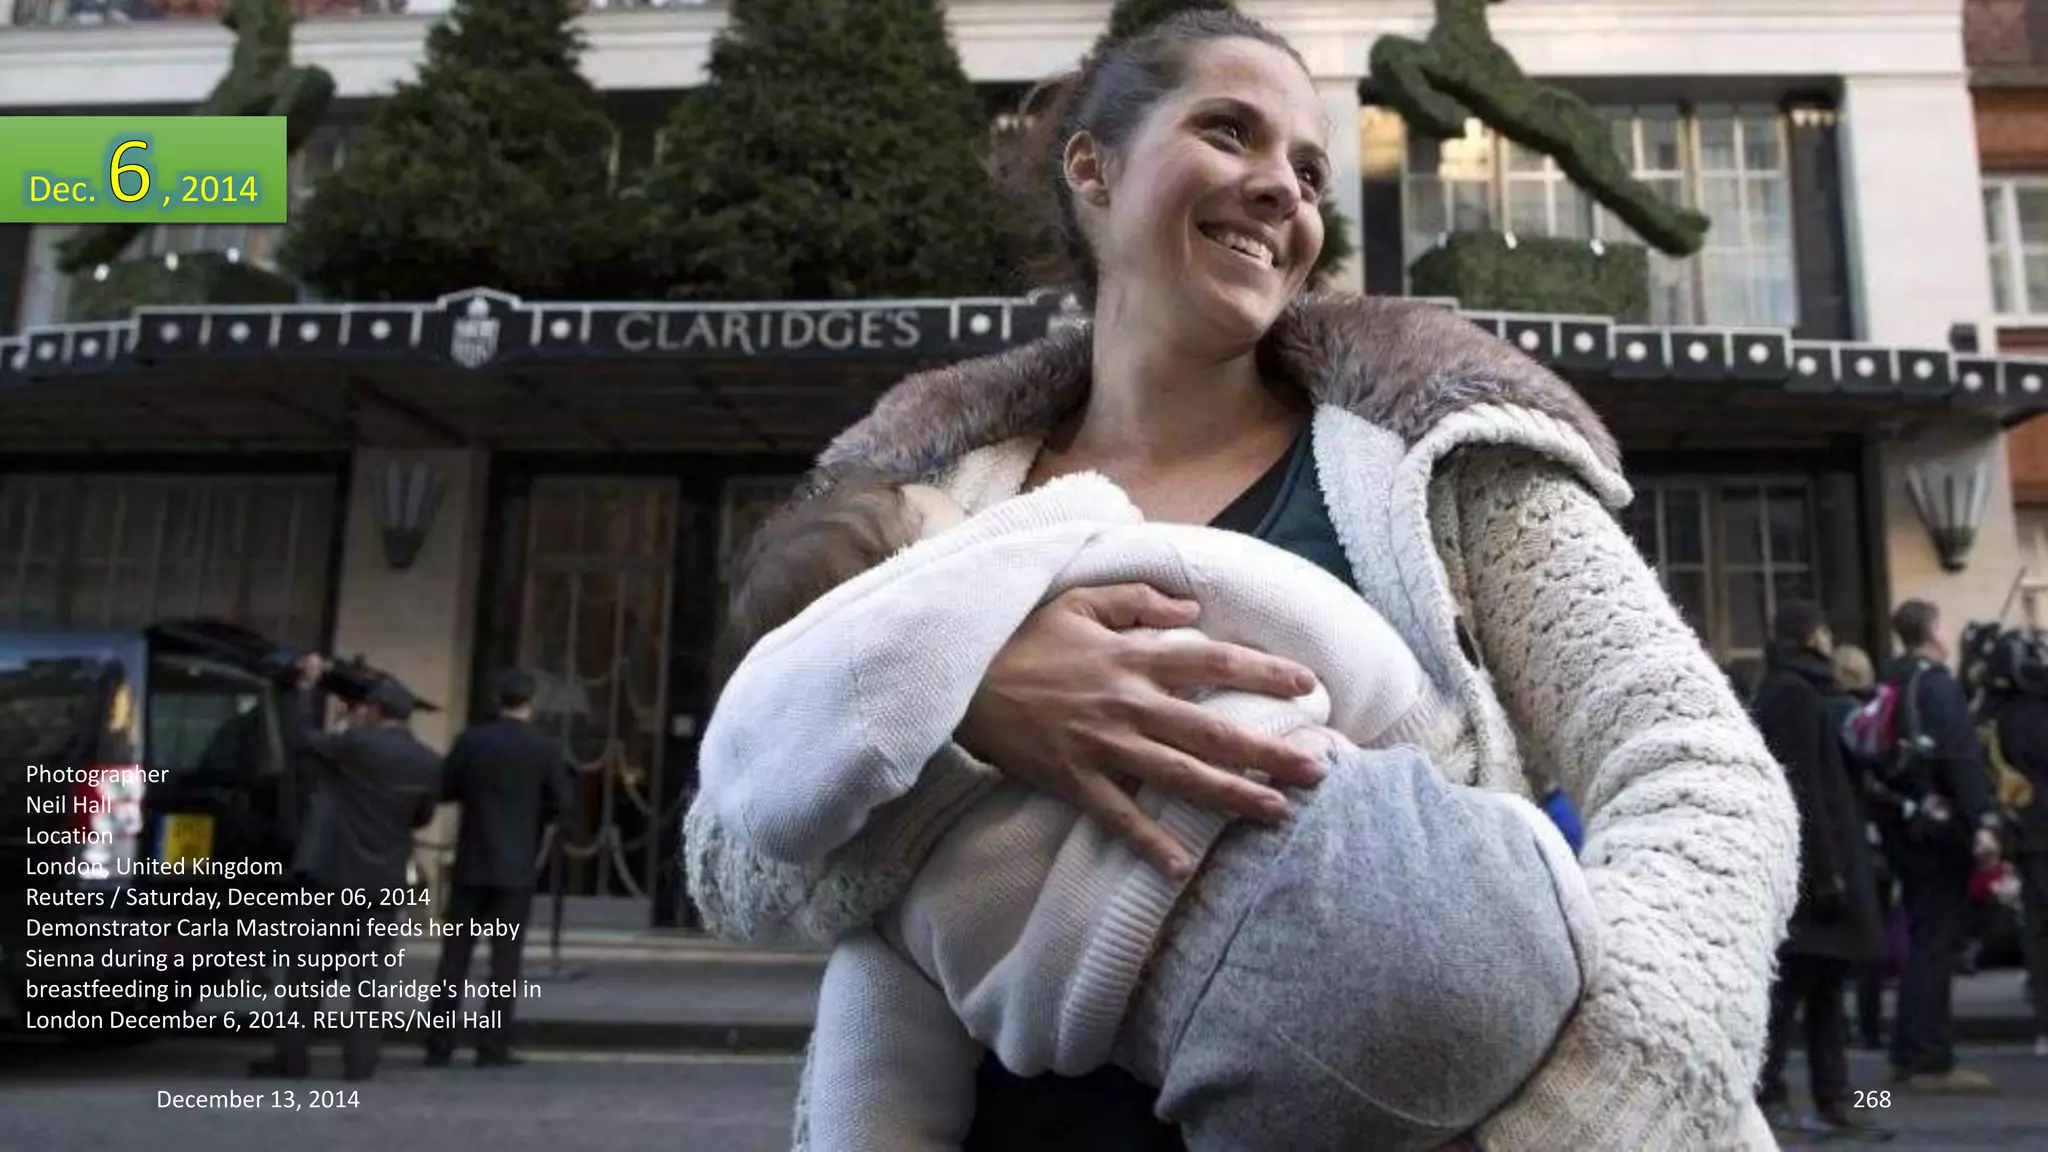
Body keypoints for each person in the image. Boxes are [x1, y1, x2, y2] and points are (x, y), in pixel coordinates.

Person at [683, 11, 1798, 1149]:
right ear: (1092, 167)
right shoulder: (916, 502)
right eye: (1229, 131)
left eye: (1309, 171)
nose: (1283, 191)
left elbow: (1698, 772)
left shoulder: (1441, 454)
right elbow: (733, 851)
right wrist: (954, 685)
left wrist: (1571, 1113)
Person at [704, 469, 1596, 1151]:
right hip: (1413, 867)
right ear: (922, 566)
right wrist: (1420, 739)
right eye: (953, 517)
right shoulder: (1074, 569)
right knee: (1530, 843)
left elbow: (874, 1099)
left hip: (1246, 1060)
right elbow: (1287, 606)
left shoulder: (878, 878)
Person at [251, 668, 442, 1082]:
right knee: (370, 977)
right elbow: (422, 817)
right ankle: (360, 1062)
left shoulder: (356, 744)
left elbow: (301, 741)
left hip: (331, 876)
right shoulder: (428, 762)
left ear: (374, 711)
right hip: (384, 881)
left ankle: (292, 1058)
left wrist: (303, 692)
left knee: (306, 973)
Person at [1749, 602, 1888, 1139]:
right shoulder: (1795, 695)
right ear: (1813, 636)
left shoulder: (1800, 692)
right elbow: (1805, 789)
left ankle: (1841, 1100)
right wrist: (1825, 873)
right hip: (1816, 873)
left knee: (1825, 990)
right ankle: (1769, 1096)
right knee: (1795, 992)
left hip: (1823, 865)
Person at [425, 667, 576, 1068]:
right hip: (516, 870)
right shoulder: (543, 748)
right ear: (530, 702)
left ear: (498, 701)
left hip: (471, 862)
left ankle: (438, 1045)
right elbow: (563, 804)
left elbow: (445, 789)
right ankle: (492, 1046)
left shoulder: (471, 741)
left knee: (454, 958)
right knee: (504, 963)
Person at [1880, 599, 2002, 1093]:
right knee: (1937, 943)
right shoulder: (1937, 684)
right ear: (1932, 630)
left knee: (1921, 938)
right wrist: (1984, 822)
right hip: (1942, 831)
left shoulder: (1891, 679)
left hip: (1904, 825)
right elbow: (1961, 758)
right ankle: (1930, 1060)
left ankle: (1908, 1051)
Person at [1973, 628, 2048, 1057]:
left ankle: (2044, 1024)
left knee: (2038, 933)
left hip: (2027, 832)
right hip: (2035, 830)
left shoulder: (1998, 716)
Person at [1830, 642, 1897, 1052]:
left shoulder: (1821, 708)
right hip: (1866, 831)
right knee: (1872, 931)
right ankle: (1868, 1025)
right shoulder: (1854, 714)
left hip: (1842, 832)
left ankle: (1851, 1023)